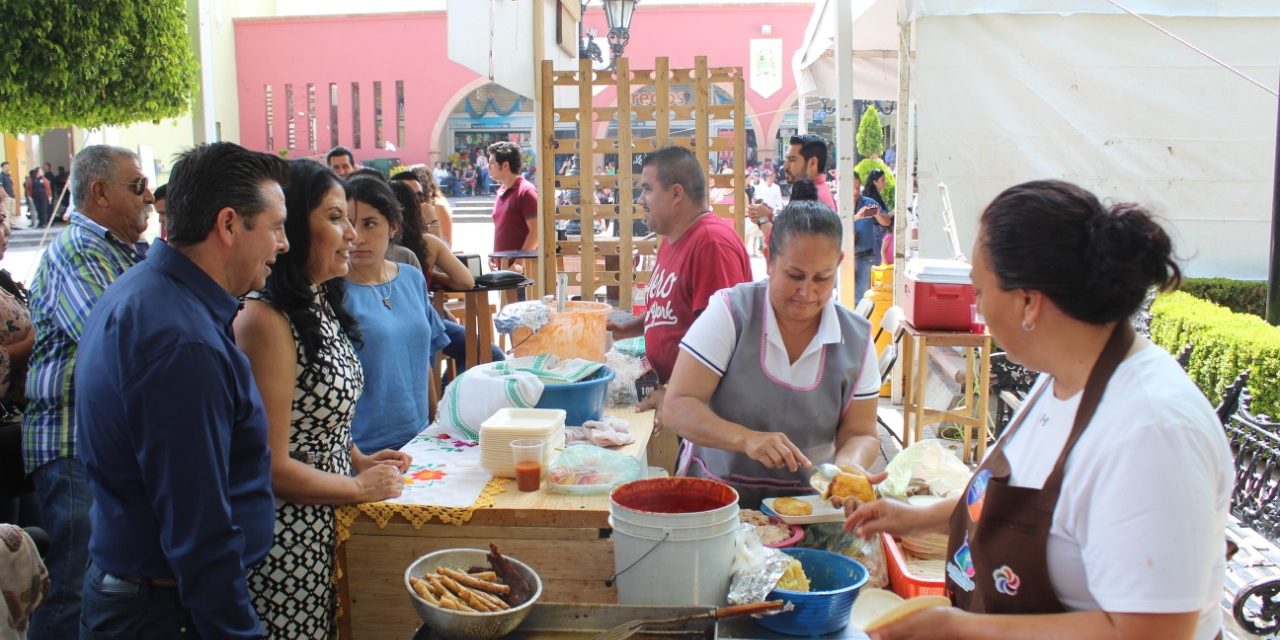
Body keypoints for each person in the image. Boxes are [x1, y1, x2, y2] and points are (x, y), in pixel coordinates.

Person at [842, 180, 1231, 640]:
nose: (976, 305)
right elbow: (1023, 502)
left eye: (980, 291)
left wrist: (962, 629)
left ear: (1028, 302)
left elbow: (1156, 631)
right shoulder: (1060, 378)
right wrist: (913, 516)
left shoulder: (1152, 430)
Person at [75, 142, 289, 638]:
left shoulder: (158, 294)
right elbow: (199, 527)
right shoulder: (182, 339)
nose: (284, 244)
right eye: (276, 227)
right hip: (162, 609)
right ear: (230, 224)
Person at [233, 159, 409, 639]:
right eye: (335, 218)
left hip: (326, 521)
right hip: (287, 539)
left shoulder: (318, 302)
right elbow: (272, 464)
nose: (352, 234)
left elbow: (317, 417)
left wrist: (358, 459)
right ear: (291, 227)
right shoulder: (265, 320)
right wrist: (359, 487)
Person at [664, 199, 881, 507]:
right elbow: (677, 406)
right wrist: (745, 438)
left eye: (822, 278)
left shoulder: (856, 338)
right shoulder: (731, 312)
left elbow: (861, 433)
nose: (807, 292)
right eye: (794, 275)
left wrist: (849, 467)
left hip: (809, 508)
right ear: (769, 260)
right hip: (716, 502)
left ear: (839, 263)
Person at [22, 145, 151, 639]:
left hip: (96, 446)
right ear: (99, 192)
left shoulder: (119, 251)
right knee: (72, 584)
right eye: (137, 185)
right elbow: (114, 340)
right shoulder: (80, 249)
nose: (149, 196)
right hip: (72, 442)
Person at [606, 146, 752, 430]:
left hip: (708, 413)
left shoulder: (711, 244)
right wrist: (633, 327)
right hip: (682, 405)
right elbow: (675, 310)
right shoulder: (673, 238)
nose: (641, 199)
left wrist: (674, 394)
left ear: (676, 194)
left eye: (647, 189)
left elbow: (720, 340)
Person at [343, 177, 450, 452]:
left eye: (369, 223)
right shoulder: (333, 291)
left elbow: (423, 357)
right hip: (365, 448)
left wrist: (433, 421)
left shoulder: (411, 278)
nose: (357, 236)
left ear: (393, 226)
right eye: (348, 222)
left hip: (419, 437)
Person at [748, 134, 835, 237]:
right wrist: (769, 216)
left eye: (792, 160)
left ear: (812, 163)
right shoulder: (814, 190)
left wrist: (762, 219)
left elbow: (784, 246)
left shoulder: (812, 197)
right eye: (786, 160)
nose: (785, 166)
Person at [489, 141, 538, 269]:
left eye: (492, 163)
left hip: (522, 276)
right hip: (504, 272)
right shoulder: (501, 191)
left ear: (505, 165)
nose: (488, 167)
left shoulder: (526, 191)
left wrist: (519, 264)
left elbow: (537, 231)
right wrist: (495, 258)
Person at [850, 172, 890, 301]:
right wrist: (857, 217)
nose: (856, 191)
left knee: (862, 298)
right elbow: (834, 223)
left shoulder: (868, 202)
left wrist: (877, 214)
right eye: (852, 187)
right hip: (844, 257)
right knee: (844, 296)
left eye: (857, 187)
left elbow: (887, 221)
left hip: (865, 257)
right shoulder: (838, 202)